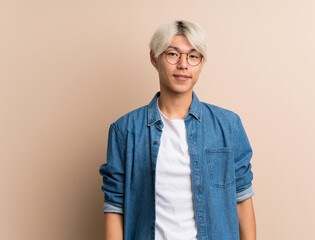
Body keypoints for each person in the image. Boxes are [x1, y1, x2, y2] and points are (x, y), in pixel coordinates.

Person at [99, 19, 256, 240]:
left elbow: (242, 198)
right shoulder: (125, 130)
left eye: (193, 56)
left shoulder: (228, 125)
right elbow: (115, 208)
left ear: (202, 63)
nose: (183, 64)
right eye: (172, 54)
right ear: (154, 58)